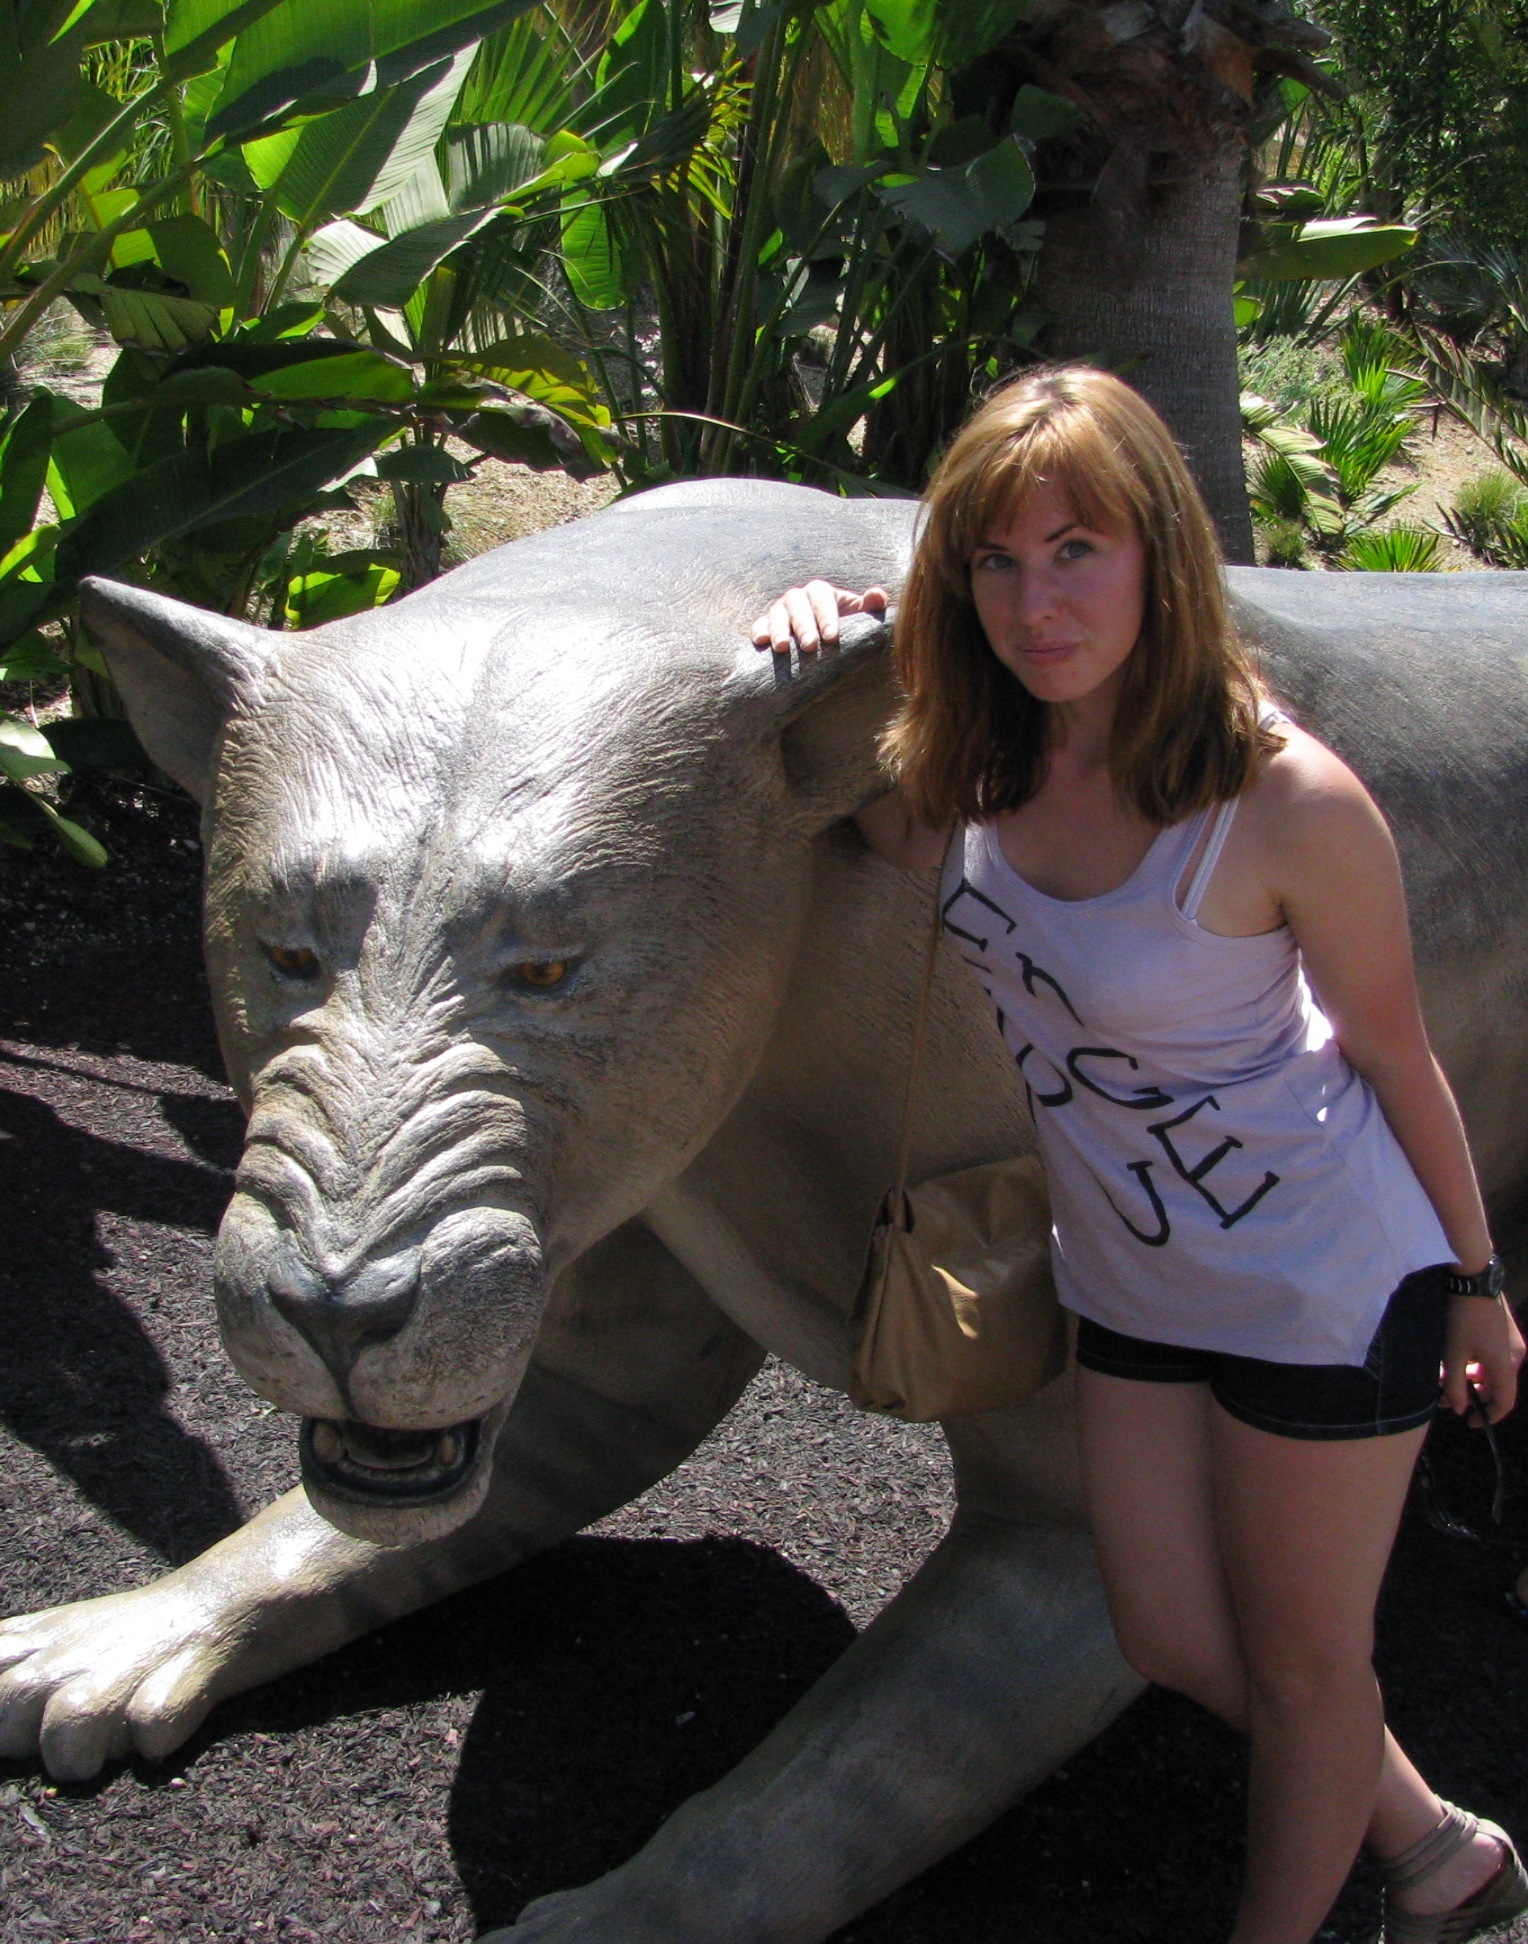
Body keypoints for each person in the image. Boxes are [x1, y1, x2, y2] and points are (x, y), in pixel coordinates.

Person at [751, 365, 1528, 1944]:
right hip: (1131, 1283)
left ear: (1160, 553)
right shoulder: (979, 764)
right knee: (1168, 1633)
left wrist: (1476, 1282)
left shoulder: (1284, 800)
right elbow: (861, 815)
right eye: (996, 561)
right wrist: (817, 636)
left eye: (1076, 552)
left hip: (1329, 1282)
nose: (1036, 604)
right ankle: (1441, 1847)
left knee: (1309, 1666)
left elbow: (1395, 1056)